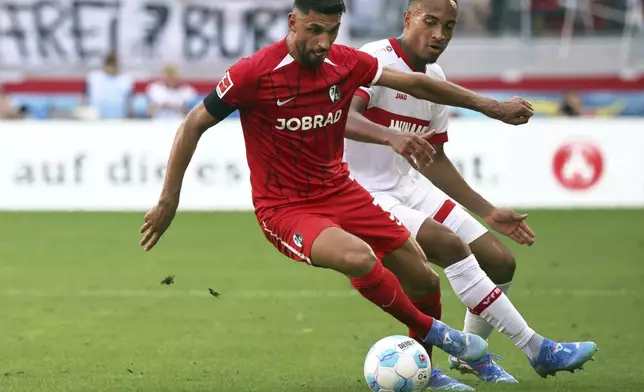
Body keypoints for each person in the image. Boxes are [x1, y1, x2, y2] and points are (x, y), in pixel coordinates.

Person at [139, 0, 535, 384]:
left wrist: (491, 107)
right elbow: (193, 123)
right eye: (314, 30)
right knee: (358, 257)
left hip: (342, 191)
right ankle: (442, 335)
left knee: (425, 281)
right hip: (286, 208)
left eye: (332, 31)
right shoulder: (253, 73)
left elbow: (417, 82)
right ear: (293, 23)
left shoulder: (344, 62)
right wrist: (168, 201)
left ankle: (426, 374)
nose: (324, 42)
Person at [343, 0, 597, 389]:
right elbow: (345, 118)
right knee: (448, 245)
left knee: (499, 262)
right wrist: (393, 136)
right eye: (430, 22)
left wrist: (487, 211)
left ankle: (468, 355)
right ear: (407, 18)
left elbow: (436, 158)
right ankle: (536, 348)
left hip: (407, 186)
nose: (439, 34)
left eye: (449, 26)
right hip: (362, 191)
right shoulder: (373, 60)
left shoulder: (436, 77)